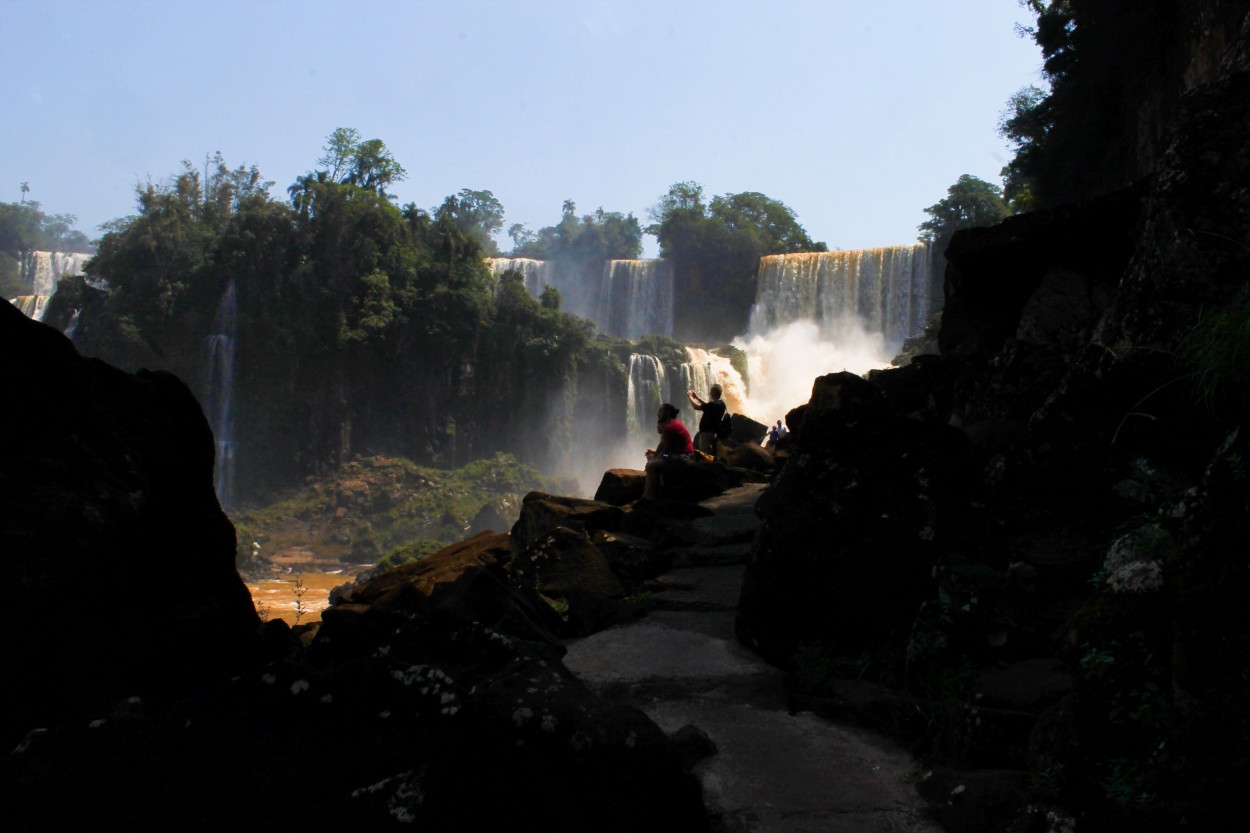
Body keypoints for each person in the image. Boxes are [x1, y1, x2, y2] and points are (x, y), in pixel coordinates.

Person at [643, 402, 694, 501]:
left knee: (651, 465)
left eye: (660, 411)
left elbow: (665, 453)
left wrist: (654, 459)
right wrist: (654, 453)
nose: (658, 414)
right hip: (680, 455)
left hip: (685, 458)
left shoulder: (670, 428)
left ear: (667, 413)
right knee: (652, 460)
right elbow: (663, 445)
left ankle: (650, 497)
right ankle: (647, 494)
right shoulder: (672, 424)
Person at [687, 383, 727, 455]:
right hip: (714, 432)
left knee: (705, 453)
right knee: (711, 451)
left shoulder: (712, 405)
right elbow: (707, 405)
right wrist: (697, 397)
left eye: (711, 391)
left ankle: (707, 464)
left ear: (714, 393)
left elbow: (696, 407)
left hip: (706, 433)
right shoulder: (721, 404)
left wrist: (690, 397)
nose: (709, 393)